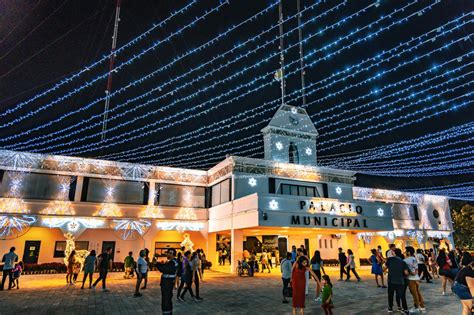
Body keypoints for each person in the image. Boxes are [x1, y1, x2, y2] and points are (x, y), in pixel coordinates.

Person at [386, 248, 409, 314]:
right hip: (400, 281)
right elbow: (406, 273)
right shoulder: (403, 262)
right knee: (401, 295)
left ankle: (390, 308)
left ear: (394, 253)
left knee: (390, 294)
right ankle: (403, 308)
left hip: (391, 280)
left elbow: (384, 268)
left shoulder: (390, 260)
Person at [404, 246, 426, 313]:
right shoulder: (414, 259)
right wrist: (415, 273)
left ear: (408, 252)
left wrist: (411, 273)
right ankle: (422, 307)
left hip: (411, 279)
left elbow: (406, 271)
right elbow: (416, 269)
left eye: (406, 251)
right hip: (416, 278)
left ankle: (417, 307)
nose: (405, 252)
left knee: (414, 294)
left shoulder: (405, 260)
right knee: (418, 293)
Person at [157, 249, 178, 315]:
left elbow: (164, 269)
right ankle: (168, 312)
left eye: (168, 253)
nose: (167, 254)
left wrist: (157, 264)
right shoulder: (173, 261)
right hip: (168, 283)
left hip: (167, 284)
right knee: (167, 299)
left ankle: (166, 313)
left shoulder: (172, 262)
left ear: (171, 254)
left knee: (166, 299)